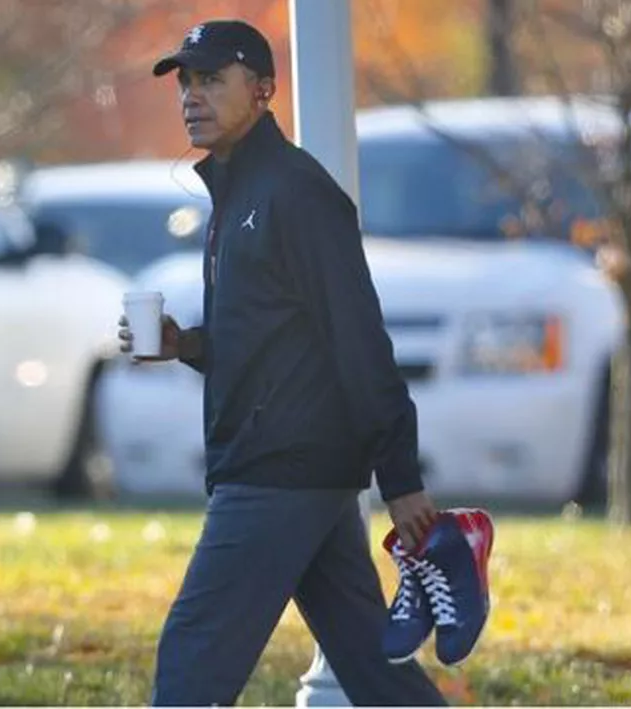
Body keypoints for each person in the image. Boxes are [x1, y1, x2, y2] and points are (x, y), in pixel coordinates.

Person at [117, 19, 447, 706]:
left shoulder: (297, 192)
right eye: (186, 81)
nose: (191, 96)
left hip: (278, 471)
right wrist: (189, 344)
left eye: (211, 78)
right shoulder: (239, 192)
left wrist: (402, 478)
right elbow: (273, 335)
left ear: (263, 90)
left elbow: (358, 337)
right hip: (303, 472)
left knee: (192, 657)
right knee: (373, 667)